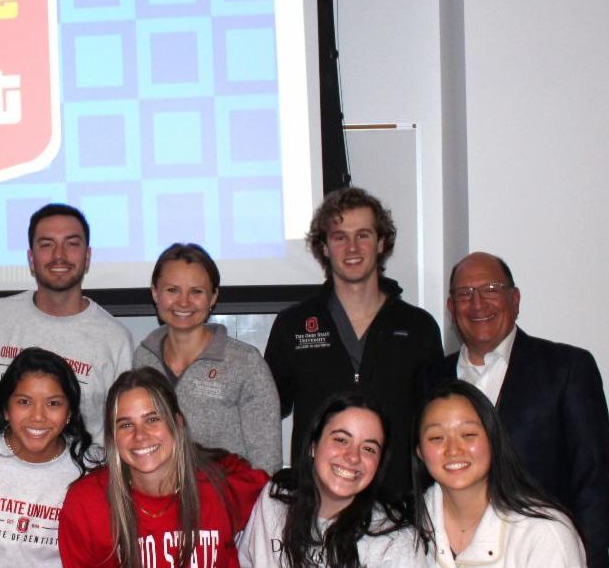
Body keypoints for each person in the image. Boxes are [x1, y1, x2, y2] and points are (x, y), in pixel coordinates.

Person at [423, 252, 609, 567]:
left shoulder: (566, 369)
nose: (478, 303)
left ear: (515, 299)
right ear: (451, 308)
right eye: (464, 294)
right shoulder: (429, 377)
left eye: (491, 289)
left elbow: (593, 480)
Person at [264, 187, 442, 498]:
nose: (352, 247)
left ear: (381, 242)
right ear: (324, 246)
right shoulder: (292, 325)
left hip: (397, 501)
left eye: (363, 235)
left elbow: (435, 419)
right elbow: (266, 409)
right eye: (340, 237)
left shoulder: (418, 327)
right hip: (318, 501)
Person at [59, 367, 268, 568]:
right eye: (126, 425)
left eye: (152, 419)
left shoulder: (223, 486)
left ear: (177, 423)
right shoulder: (87, 503)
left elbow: (277, 499)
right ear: (113, 436)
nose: (140, 435)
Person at [0, 203, 133, 442]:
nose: (59, 255)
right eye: (47, 245)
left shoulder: (115, 339)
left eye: (71, 244)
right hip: (1, 463)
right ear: (31, 259)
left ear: (87, 257)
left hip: (81, 465)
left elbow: (122, 427)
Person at [0, 348, 99, 568]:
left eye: (53, 403)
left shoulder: (92, 468)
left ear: (70, 412)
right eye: (24, 402)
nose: (38, 417)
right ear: (6, 408)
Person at [135, 243, 281, 473]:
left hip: (228, 494)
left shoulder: (245, 363)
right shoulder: (143, 359)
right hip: (158, 493)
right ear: (155, 293)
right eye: (172, 290)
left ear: (213, 297)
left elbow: (266, 464)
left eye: (196, 292)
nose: (184, 302)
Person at [412, 380, 586, 567]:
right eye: (436, 438)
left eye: (468, 434)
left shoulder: (544, 534)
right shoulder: (402, 530)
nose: (453, 450)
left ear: (493, 440)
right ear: (419, 451)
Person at [238, 392, 420, 568]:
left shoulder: (396, 540)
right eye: (341, 440)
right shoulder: (276, 498)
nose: (353, 457)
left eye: (369, 449)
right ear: (313, 445)